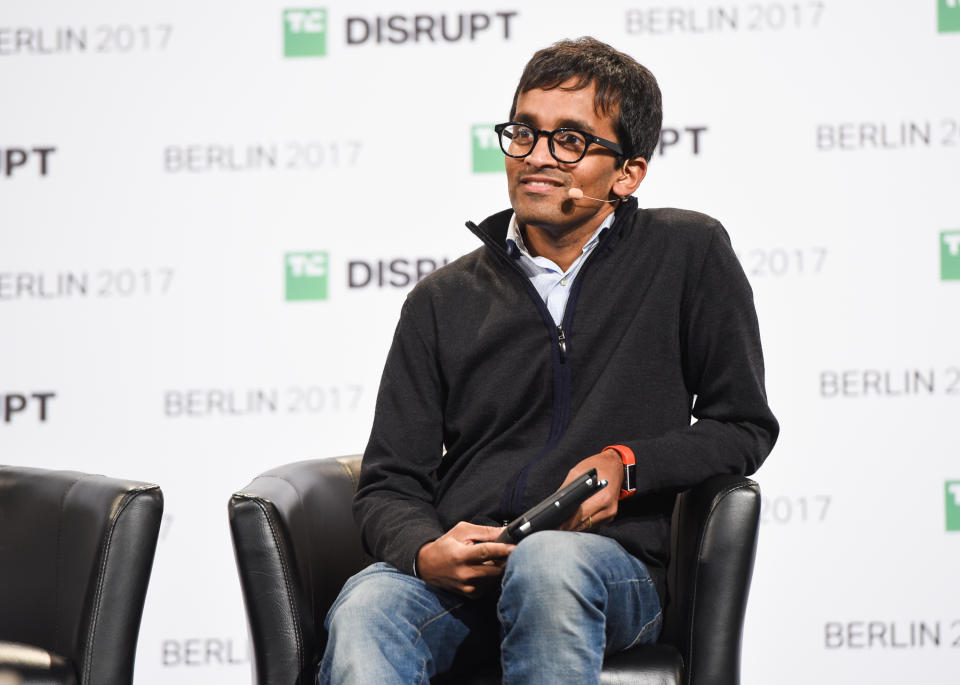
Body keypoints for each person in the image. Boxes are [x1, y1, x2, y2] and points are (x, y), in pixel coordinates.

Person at [318, 36, 778, 685]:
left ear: (628, 172)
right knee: (368, 606)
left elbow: (743, 425)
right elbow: (391, 482)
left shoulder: (688, 253)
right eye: (525, 133)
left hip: (610, 570)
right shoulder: (439, 300)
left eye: (570, 140)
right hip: (471, 577)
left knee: (549, 564)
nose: (538, 157)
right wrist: (425, 550)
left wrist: (631, 464)